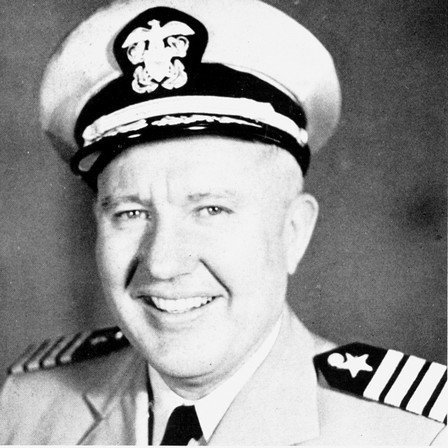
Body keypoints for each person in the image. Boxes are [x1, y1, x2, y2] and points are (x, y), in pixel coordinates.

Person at [0, 0, 446, 444]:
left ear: (293, 233)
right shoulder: (27, 409)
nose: (163, 264)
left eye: (211, 210)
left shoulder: (418, 436)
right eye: (131, 213)